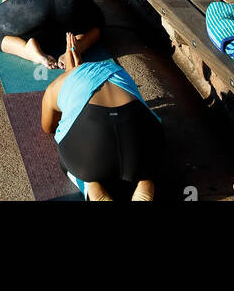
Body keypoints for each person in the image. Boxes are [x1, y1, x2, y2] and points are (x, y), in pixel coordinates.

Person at [41, 42, 162, 202]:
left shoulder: (60, 83)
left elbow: (48, 127)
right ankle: (146, 182)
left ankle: (91, 186)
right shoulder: (117, 71)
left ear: (67, 69)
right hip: (138, 144)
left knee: (67, 159)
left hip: (92, 158)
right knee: (149, 153)